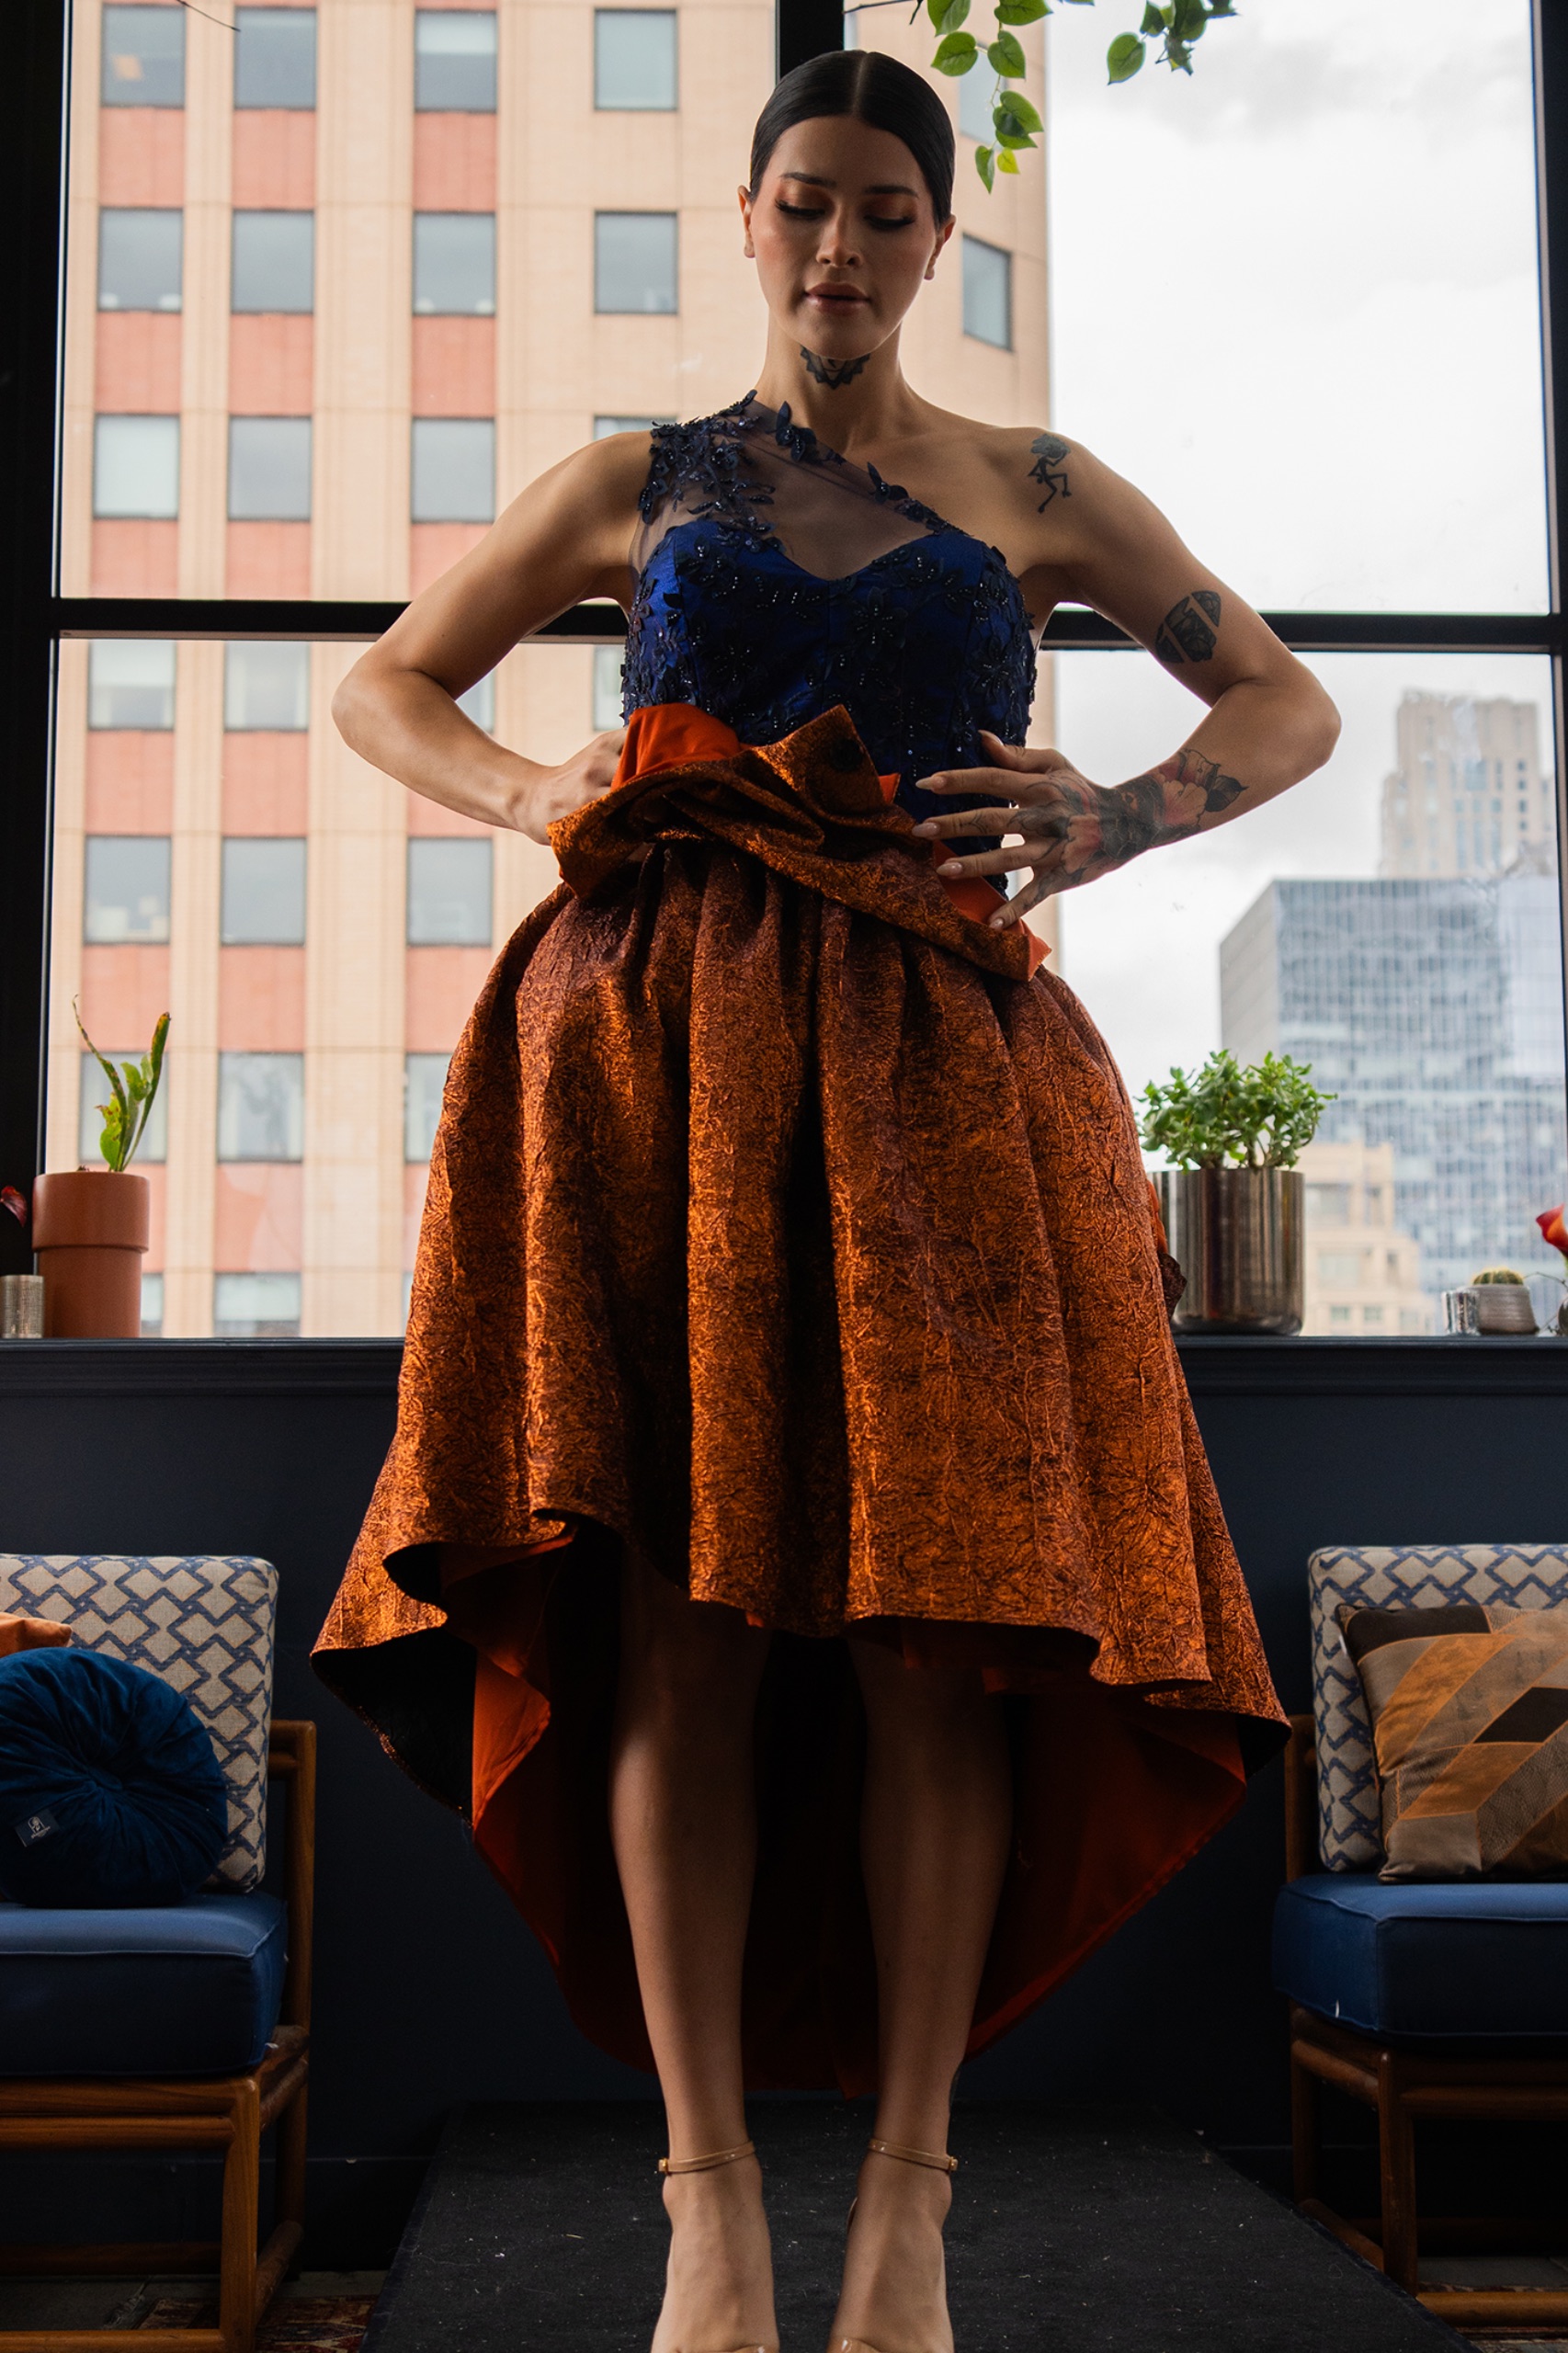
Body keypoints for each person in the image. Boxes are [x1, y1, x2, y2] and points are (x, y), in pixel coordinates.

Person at [314, 45, 1336, 2353]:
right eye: (805, 204)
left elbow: (1280, 706)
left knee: (926, 1635)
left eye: (887, 209)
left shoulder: (1039, 487)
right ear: (750, 219)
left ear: (935, 237)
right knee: (675, 1617)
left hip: (950, 1092)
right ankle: (707, 2206)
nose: (842, 246)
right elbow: (390, 687)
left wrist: (1120, 817)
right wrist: (530, 785)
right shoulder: (637, 485)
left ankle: (902, 2201)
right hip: (651, 1076)